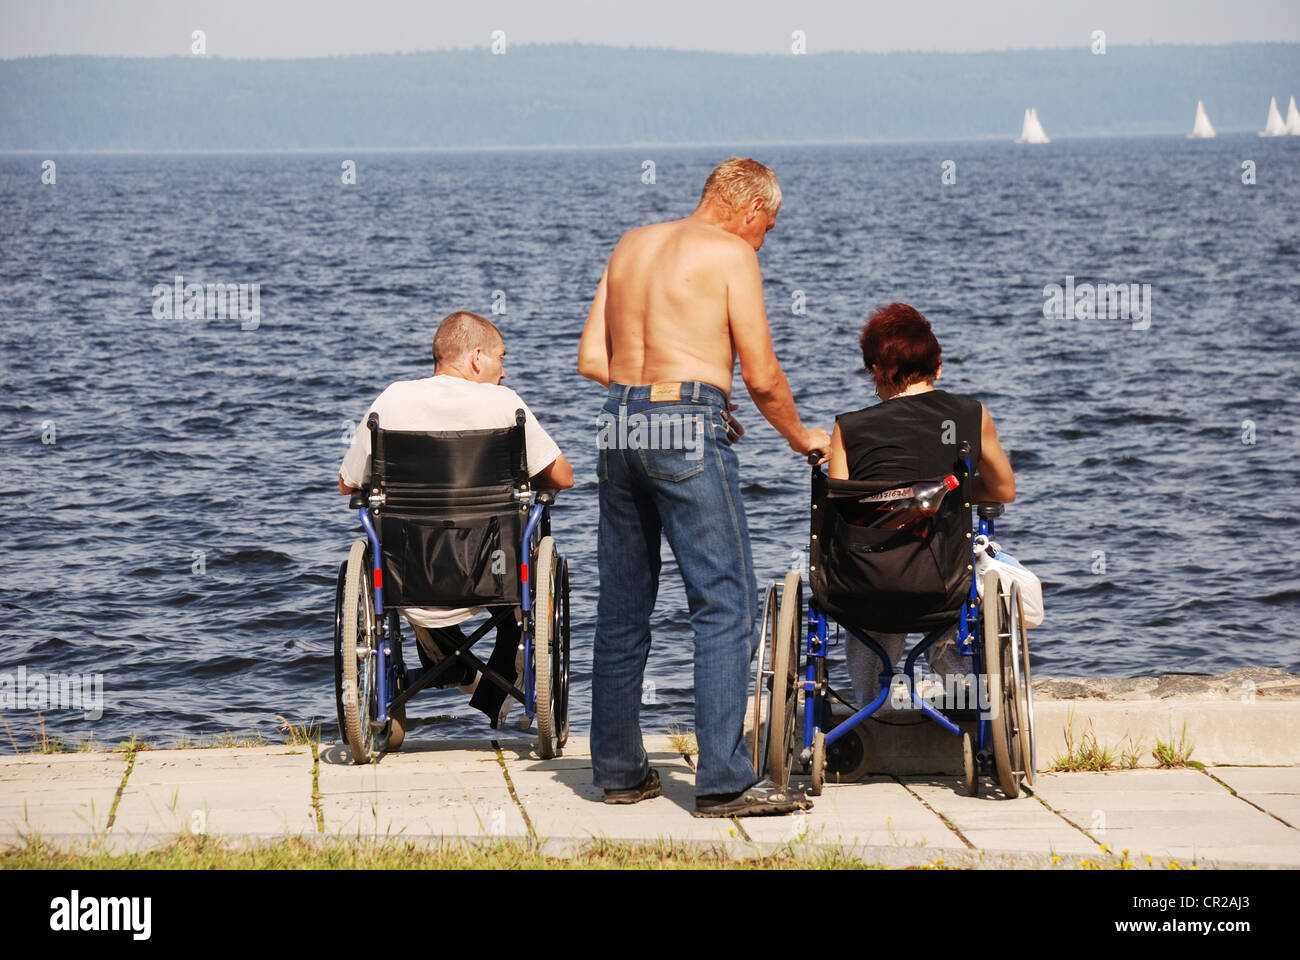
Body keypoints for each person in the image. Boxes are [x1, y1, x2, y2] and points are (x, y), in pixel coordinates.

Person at [578, 157, 830, 817]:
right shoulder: (730, 255)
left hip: (619, 422)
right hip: (685, 425)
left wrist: (664, 398)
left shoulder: (631, 244)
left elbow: (592, 360)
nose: (763, 240)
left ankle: (619, 772)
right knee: (724, 602)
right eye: (767, 227)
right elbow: (764, 374)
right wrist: (801, 437)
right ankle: (724, 780)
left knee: (623, 607)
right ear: (750, 209)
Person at [339, 311, 573, 728]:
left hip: (410, 576)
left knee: (393, 537)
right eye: (502, 357)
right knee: (527, 530)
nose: (505, 370)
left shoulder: (390, 401)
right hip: (494, 575)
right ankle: (494, 685)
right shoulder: (506, 404)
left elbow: (347, 484)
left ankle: (452, 668)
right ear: (478, 358)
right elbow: (563, 478)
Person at [827, 302, 1015, 708]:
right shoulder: (972, 416)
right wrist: (953, 491)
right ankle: (964, 697)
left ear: (877, 370)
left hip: (867, 586)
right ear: (939, 366)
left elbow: (838, 506)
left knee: (872, 573)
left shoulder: (848, 428)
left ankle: (868, 706)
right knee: (957, 576)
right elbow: (1003, 490)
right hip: (942, 583)